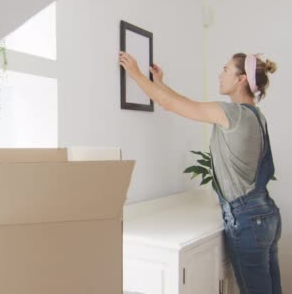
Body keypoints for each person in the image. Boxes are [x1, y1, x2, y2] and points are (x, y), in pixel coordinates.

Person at [119, 51, 282, 294]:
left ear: (241, 79)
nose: (220, 74)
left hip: (247, 221)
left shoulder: (231, 113)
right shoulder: (256, 116)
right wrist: (160, 84)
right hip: (266, 214)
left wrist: (134, 73)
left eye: (226, 69)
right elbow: (185, 104)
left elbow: (170, 104)